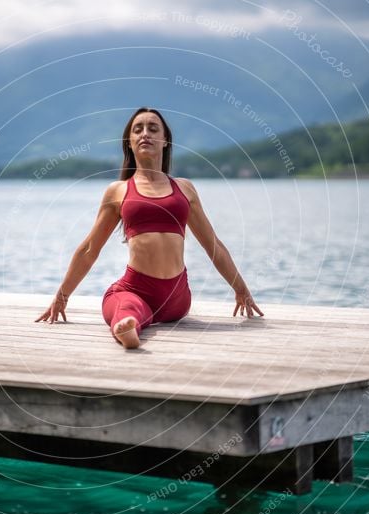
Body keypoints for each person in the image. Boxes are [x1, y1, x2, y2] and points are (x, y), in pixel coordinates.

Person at [35, 107, 263, 348]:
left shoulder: (185, 189)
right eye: (138, 129)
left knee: (133, 309)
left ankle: (129, 324)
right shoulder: (118, 191)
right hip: (136, 289)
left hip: (178, 298)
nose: (145, 134)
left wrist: (241, 288)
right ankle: (127, 328)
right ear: (130, 143)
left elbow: (213, 245)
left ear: (165, 141)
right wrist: (62, 296)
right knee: (125, 305)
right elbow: (90, 248)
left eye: (153, 129)